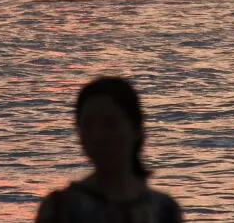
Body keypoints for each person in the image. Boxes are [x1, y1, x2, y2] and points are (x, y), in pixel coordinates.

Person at [35, 76, 182, 222]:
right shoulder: (61, 209)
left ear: (135, 129)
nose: (97, 136)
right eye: (87, 126)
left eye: (110, 124)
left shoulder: (164, 210)